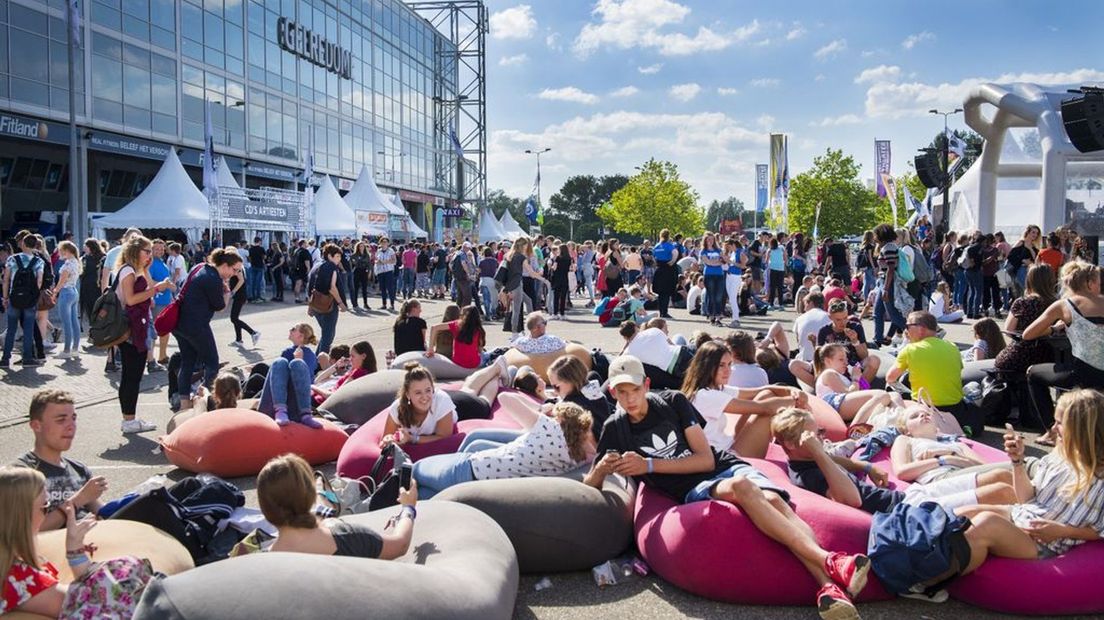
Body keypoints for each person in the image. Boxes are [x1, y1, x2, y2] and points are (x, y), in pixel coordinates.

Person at [586, 355, 873, 619]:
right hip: (691, 488)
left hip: (721, 465)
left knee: (774, 502)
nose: (629, 398)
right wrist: (601, 468)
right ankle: (831, 562)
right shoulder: (615, 428)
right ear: (612, 392)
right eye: (621, 392)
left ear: (646, 385)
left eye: (634, 390)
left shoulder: (673, 402)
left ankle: (828, 588)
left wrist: (647, 466)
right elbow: (590, 483)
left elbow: (705, 459)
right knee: (743, 487)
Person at [956, 389, 1104, 576]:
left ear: (1080, 429)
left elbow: (1100, 530)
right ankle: (920, 559)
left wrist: (1062, 531)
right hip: (1022, 516)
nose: (1052, 428)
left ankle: (930, 582)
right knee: (961, 514)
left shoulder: (1099, 478)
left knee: (987, 522)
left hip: (1044, 542)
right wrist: (1017, 461)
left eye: (1059, 423)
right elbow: (1027, 499)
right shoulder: (1059, 456)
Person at [773, 407, 1014, 516]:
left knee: (1001, 477)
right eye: (815, 435)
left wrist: (865, 466)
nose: (821, 438)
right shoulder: (809, 474)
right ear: (793, 445)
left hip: (911, 496)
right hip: (906, 511)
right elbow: (852, 500)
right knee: (1001, 492)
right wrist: (818, 452)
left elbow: (833, 458)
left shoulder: (808, 458)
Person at [0, 466, 156, 618]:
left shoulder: (11, 563)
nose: (45, 513)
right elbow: (85, 602)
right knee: (125, 570)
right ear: (21, 517)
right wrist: (75, 552)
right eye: (45, 506)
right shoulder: (18, 576)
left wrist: (76, 551)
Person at [413, 400, 595, 499]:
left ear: (561, 420)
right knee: (423, 495)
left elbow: (504, 399)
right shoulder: (577, 459)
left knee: (415, 469)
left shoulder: (549, 428)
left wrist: (543, 408)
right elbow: (592, 452)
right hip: (480, 487)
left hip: (469, 468)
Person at [258, 454, 416, 559]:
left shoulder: (260, 563)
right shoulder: (349, 537)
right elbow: (400, 545)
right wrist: (408, 508)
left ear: (265, 508)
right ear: (310, 495)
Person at [683, 341, 808, 458]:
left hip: (728, 443)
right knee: (766, 413)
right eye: (721, 365)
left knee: (765, 394)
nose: (727, 370)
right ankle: (805, 446)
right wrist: (797, 401)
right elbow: (765, 409)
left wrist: (793, 391)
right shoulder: (706, 396)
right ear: (707, 367)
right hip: (725, 455)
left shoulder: (717, 389)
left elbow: (761, 390)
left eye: (729, 364)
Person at [1023, 261, 1104, 441]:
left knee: (1033, 374)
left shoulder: (1064, 305)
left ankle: (1052, 431)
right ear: (1089, 283)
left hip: (1083, 373)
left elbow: (1028, 334)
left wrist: (1055, 328)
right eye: (1098, 281)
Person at [13, 390, 105, 531]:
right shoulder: (21, 473)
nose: (71, 426)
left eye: (73, 418)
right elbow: (26, 532)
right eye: (61, 420)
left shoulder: (78, 469)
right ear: (36, 426)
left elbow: (105, 514)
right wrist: (77, 501)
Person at [114, 236, 174, 433]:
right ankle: (129, 420)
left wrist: (148, 272)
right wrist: (157, 288)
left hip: (137, 326)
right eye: (146, 251)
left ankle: (129, 418)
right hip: (131, 328)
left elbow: (147, 291)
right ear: (134, 251)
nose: (150, 255)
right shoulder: (128, 271)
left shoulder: (135, 269)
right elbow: (131, 300)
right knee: (132, 375)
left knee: (133, 374)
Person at [173, 248, 239, 412]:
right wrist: (227, 291)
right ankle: (209, 401)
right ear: (224, 265)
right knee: (212, 364)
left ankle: (184, 404)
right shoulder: (213, 279)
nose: (235, 274)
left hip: (180, 324)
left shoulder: (201, 267)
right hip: (196, 326)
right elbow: (220, 307)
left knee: (187, 362)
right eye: (234, 269)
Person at [887, 310, 965, 411]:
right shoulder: (952, 346)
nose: (905, 331)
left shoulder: (910, 349)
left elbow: (890, 378)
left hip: (924, 408)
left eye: (908, 326)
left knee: (891, 390)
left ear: (921, 329)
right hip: (955, 406)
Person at [257, 323, 324, 428]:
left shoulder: (298, 353)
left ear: (301, 336)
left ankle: (304, 414)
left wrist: (299, 360)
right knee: (280, 362)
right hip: (288, 399)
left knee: (293, 363)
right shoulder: (310, 354)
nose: (290, 330)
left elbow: (305, 380)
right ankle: (282, 411)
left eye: (293, 329)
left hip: (294, 400)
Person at [994, 263, 1056, 375]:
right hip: (1046, 356)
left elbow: (1009, 330)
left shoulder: (1022, 302)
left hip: (1019, 355)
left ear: (1029, 281)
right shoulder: (1056, 304)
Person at [380, 362, 458, 449]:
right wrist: (390, 439)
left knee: (469, 390)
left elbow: (444, 437)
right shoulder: (397, 408)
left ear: (433, 389)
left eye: (428, 390)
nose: (424, 397)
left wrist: (412, 439)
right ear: (408, 395)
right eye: (418, 392)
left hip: (462, 405)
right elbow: (386, 437)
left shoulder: (442, 401)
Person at [813, 344, 898, 423]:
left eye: (846, 359)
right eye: (841, 359)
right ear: (828, 361)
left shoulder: (842, 376)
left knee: (894, 395)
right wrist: (855, 378)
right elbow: (848, 394)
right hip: (834, 406)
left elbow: (863, 390)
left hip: (845, 404)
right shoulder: (828, 374)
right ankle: (855, 427)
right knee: (882, 395)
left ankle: (900, 420)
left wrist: (860, 378)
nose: (846, 363)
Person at [1, 235, 45, 367]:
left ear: (23, 244)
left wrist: (5, 298)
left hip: (14, 298)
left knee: (11, 329)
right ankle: (27, 358)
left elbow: (6, 280)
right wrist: (34, 296)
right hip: (30, 300)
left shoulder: (12, 259)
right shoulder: (38, 261)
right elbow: (39, 281)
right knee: (28, 329)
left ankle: (5, 359)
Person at [618, 320, 694, 390]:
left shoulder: (629, 353)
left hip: (673, 369)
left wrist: (626, 345)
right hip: (682, 352)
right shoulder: (653, 330)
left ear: (624, 337)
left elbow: (619, 360)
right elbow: (672, 344)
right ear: (636, 328)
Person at [502, 238, 549, 336]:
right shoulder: (521, 257)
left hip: (512, 284)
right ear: (523, 246)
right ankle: (516, 333)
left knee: (527, 302)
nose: (527, 247)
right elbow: (531, 273)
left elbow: (504, 273)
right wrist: (544, 280)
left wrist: (506, 288)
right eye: (526, 245)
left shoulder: (508, 256)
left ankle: (528, 327)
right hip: (517, 285)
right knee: (517, 309)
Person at [872, 223, 908, 345]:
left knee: (893, 314)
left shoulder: (889, 248)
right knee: (877, 312)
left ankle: (913, 333)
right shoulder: (887, 247)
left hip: (888, 283)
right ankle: (878, 338)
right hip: (883, 282)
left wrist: (886, 289)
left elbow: (891, 269)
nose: (874, 237)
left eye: (876, 234)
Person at [312, 341, 377, 405]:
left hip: (320, 402)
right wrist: (336, 366)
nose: (350, 359)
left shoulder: (358, 373)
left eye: (353, 356)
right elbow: (317, 380)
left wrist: (313, 387)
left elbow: (334, 396)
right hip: (322, 400)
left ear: (363, 356)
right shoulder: (367, 372)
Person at [312, 244, 350, 355]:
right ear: (329, 256)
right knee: (328, 336)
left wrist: (310, 306)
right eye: (337, 256)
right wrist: (341, 303)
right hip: (329, 305)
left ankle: (317, 359)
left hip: (317, 305)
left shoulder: (318, 266)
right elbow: (332, 287)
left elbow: (313, 286)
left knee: (326, 335)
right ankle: (320, 362)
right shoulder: (332, 267)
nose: (339, 259)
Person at [426, 304, 486, 369]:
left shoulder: (456, 325)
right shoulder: (479, 330)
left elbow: (434, 328)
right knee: (486, 355)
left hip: (457, 362)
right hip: (473, 364)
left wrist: (430, 349)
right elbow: (480, 350)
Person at [50, 241, 81, 359]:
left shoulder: (68, 264)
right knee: (74, 322)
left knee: (67, 323)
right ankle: (74, 349)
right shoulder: (75, 262)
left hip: (66, 292)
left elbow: (61, 281)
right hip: (73, 291)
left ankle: (67, 350)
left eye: (61, 250)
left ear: (67, 251)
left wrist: (54, 293)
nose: (60, 253)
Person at [792, 292, 831, 364]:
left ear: (811, 303)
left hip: (804, 359)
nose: (804, 308)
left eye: (805, 304)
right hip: (825, 359)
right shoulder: (829, 317)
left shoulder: (800, 318)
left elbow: (799, 341)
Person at [227, 262, 259, 348]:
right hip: (240, 295)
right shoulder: (236, 266)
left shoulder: (237, 266)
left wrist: (233, 292)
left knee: (233, 318)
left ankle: (253, 333)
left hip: (240, 295)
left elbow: (241, 280)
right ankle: (239, 339)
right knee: (235, 318)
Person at [699, 233, 726, 326]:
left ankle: (718, 317)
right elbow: (708, 262)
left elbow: (724, 260)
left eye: (712, 239)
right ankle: (711, 317)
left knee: (719, 297)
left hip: (719, 275)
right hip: (709, 275)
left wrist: (717, 262)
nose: (710, 241)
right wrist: (717, 262)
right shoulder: (703, 251)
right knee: (711, 297)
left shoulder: (719, 250)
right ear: (705, 241)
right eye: (708, 240)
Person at [652, 229, 680, 318]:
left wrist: (656, 263)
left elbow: (653, 256)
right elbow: (675, 252)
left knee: (660, 293)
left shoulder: (657, 246)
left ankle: (661, 311)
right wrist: (672, 261)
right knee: (666, 292)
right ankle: (665, 311)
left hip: (659, 268)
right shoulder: (669, 245)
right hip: (668, 269)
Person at [79, 238, 105, 330]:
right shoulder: (85, 258)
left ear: (90, 247)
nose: (84, 248)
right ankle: (94, 331)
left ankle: (98, 331)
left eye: (85, 246)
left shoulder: (101, 258)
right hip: (87, 288)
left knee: (96, 310)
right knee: (90, 310)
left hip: (96, 287)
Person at [550, 244, 573, 320]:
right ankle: (562, 313)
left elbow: (554, 268)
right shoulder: (569, 258)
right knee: (563, 297)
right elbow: (571, 268)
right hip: (565, 279)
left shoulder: (558, 258)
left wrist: (551, 267)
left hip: (557, 279)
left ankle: (555, 313)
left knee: (556, 297)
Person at [374, 237, 397, 311]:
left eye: (386, 241)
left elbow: (394, 261)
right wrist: (378, 262)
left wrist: (385, 261)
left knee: (390, 288)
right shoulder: (378, 251)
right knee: (382, 288)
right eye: (382, 242)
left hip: (388, 271)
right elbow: (376, 260)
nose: (384, 243)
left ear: (388, 243)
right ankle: (384, 304)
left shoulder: (391, 251)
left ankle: (392, 304)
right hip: (380, 272)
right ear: (380, 243)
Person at [766, 237, 787, 309]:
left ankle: (771, 304)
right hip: (781, 269)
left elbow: (766, 260)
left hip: (773, 269)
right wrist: (784, 264)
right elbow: (785, 258)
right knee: (780, 287)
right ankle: (781, 304)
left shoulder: (769, 250)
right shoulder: (782, 248)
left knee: (772, 287)